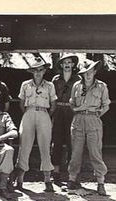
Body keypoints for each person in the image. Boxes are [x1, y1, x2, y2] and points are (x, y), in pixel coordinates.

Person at [9, 57, 57, 192]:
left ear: (44, 71)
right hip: (29, 113)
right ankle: (20, 180)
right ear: (32, 72)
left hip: (43, 113)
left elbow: (53, 105)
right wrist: (29, 113)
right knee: (24, 146)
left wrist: (45, 115)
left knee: (45, 147)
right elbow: (21, 103)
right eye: (35, 70)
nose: (38, 73)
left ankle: (47, 179)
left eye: (41, 70)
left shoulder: (50, 86)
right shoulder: (25, 85)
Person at [67, 59, 111, 196]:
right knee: (76, 152)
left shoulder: (102, 86)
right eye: (85, 73)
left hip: (93, 120)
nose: (87, 75)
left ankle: (100, 182)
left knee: (95, 152)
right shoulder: (76, 86)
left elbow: (106, 105)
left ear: (95, 71)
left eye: (90, 72)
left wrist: (97, 114)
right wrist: (78, 109)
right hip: (78, 119)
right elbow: (72, 103)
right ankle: (72, 179)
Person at [51, 54, 81, 185]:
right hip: (58, 111)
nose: (67, 65)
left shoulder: (78, 79)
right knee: (56, 141)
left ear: (73, 65)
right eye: (65, 63)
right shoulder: (56, 80)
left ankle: (71, 175)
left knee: (72, 143)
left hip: (72, 112)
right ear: (61, 65)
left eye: (70, 62)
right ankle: (56, 172)